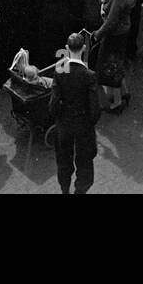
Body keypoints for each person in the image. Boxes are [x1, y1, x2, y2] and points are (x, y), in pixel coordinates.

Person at [50, 31, 100, 195]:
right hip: (83, 125)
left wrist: (59, 119)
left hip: (64, 125)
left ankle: (65, 190)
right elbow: (94, 109)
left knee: (64, 162)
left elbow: (53, 104)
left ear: (67, 48)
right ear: (84, 48)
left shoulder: (60, 72)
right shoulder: (89, 76)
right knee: (85, 164)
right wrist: (89, 123)